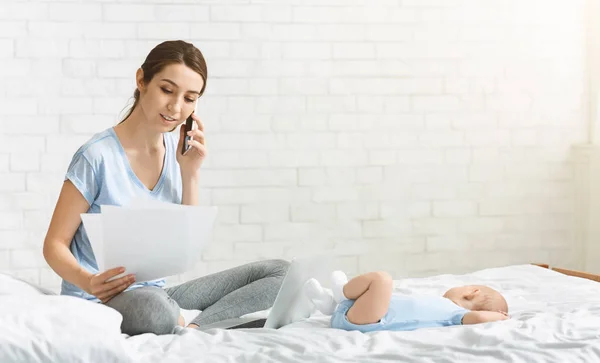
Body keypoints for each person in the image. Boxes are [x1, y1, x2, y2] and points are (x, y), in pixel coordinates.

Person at [42, 40, 289, 336]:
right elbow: (54, 245)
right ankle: (196, 321)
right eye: (167, 90)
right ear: (142, 80)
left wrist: (190, 173)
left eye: (190, 98)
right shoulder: (96, 157)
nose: (176, 107)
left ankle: (192, 325)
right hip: (99, 301)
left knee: (280, 273)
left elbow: (185, 244)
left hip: (156, 293)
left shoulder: (177, 155)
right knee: (155, 310)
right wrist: (89, 281)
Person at [304, 271, 509, 333]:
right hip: (360, 312)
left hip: (369, 320)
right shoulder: (437, 302)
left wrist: (499, 316)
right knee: (376, 290)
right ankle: (333, 305)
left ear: (472, 292)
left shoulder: (456, 315)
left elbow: (479, 317)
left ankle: (342, 292)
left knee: (382, 279)